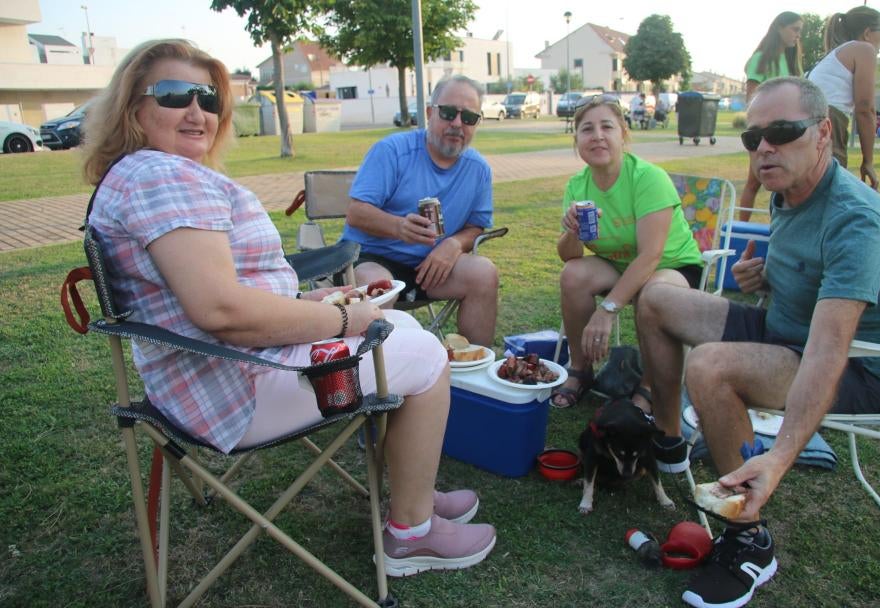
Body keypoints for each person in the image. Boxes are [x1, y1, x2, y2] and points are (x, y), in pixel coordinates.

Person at [81, 39, 496, 578]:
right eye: (173, 94)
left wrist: (305, 301)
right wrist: (344, 318)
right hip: (240, 386)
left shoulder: (143, 173)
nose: (195, 111)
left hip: (211, 374)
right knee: (424, 353)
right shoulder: (162, 176)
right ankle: (411, 533)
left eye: (207, 99)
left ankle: (413, 494)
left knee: (397, 328)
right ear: (132, 106)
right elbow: (222, 312)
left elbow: (217, 294)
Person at [634, 77, 880, 608]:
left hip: (857, 365)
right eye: (753, 136)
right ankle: (670, 442)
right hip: (787, 333)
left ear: (823, 133)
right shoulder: (792, 192)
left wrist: (781, 456)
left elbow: (830, 348)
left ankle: (748, 539)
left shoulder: (856, 218)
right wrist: (761, 277)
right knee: (656, 299)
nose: (765, 147)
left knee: (712, 367)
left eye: (782, 131)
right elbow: (807, 281)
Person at [548, 94, 704, 410]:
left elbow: (651, 255)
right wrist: (571, 232)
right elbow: (570, 256)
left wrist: (607, 310)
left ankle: (650, 386)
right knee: (573, 275)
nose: (597, 136)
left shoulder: (648, 178)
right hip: (618, 263)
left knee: (654, 292)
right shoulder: (578, 186)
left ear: (623, 134)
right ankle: (580, 368)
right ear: (577, 140)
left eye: (607, 127)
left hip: (671, 266)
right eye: (587, 130)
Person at [340, 75, 498, 347]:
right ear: (429, 113)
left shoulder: (478, 169)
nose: (457, 124)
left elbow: (476, 226)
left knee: (483, 273)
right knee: (377, 285)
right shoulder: (392, 151)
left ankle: (475, 374)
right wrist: (399, 227)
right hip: (374, 257)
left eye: (469, 117)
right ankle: (379, 379)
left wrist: (453, 244)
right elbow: (356, 213)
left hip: (431, 266)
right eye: (448, 113)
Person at [808, 5, 880, 188]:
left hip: (810, 117)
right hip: (828, 119)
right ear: (867, 33)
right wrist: (868, 161)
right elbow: (865, 108)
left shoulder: (838, 54)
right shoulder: (864, 49)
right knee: (831, 194)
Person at [739, 11, 804, 221]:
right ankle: (741, 231)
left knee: (787, 184)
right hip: (764, 134)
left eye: (800, 31)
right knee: (754, 182)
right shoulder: (761, 59)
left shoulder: (791, 61)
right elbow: (752, 101)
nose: (797, 35)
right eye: (795, 29)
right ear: (779, 28)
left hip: (787, 135)